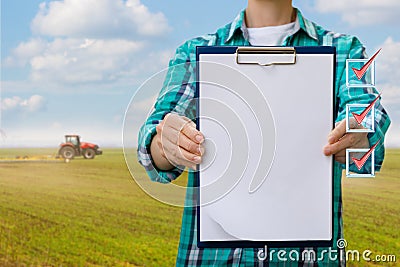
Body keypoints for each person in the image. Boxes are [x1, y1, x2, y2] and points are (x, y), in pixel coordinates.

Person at [137, 0, 391, 265]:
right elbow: (156, 138)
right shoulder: (193, 52)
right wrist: (167, 141)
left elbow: (368, 115)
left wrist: (359, 134)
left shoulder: (344, 50)